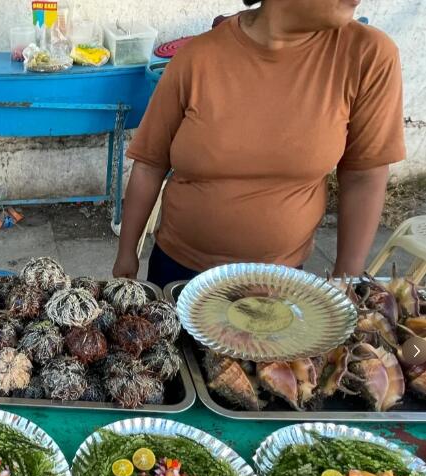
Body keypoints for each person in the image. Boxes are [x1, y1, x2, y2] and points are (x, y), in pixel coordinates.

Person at [113, 0, 406, 288]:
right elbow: (150, 164)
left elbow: (364, 174)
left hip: (279, 282)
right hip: (179, 272)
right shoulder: (197, 58)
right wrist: (126, 254)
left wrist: (347, 280)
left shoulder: (367, 56)